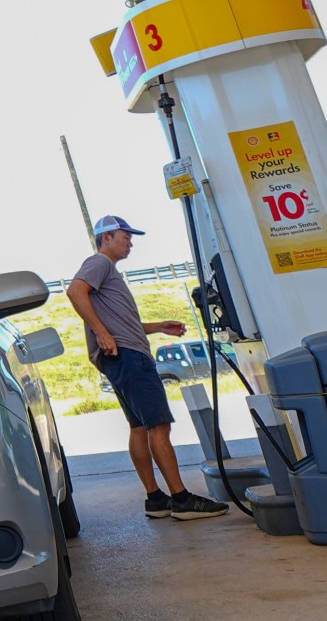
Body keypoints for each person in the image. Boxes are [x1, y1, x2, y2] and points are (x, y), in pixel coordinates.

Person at [67, 215, 228, 522]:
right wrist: (101, 333)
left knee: (139, 427)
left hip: (122, 355)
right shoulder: (99, 263)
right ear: (107, 238)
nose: (131, 243)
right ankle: (181, 500)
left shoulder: (109, 274)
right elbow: (75, 292)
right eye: (125, 237)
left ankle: (156, 499)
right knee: (158, 426)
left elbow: (123, 324)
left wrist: (158, 328)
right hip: (129, 357)